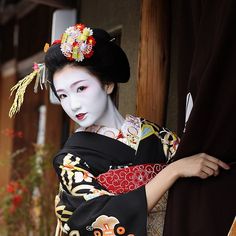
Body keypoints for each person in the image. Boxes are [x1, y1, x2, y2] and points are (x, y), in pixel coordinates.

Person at [9, 23, 230, 236]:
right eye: (63, 95)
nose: (73, 105)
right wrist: (173, 171)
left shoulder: (156, 135)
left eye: (81, 88)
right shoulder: (70, 159)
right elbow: (100, 219)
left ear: (107, 84)